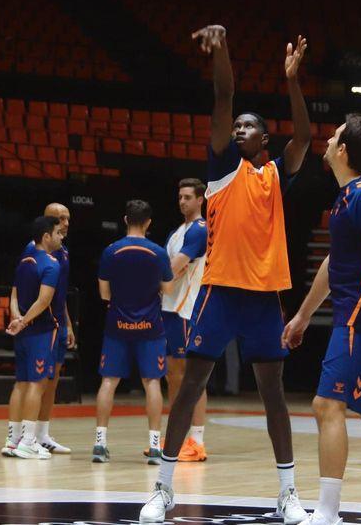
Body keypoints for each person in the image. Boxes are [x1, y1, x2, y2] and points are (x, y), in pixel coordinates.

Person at [140, 25, 311, 524]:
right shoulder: (220, 169)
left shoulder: (278, 173)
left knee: (273, 395)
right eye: (235, 126)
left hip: (263, 297)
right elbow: (223, 92)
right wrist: (225, 49)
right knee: (189, 386)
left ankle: (288, 493)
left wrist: (293, 81)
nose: (238, 129)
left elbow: (303, 136)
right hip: (218, 292)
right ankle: (163, 489)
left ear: (265, 137)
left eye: (248, 126)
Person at [282, 114, 361, 525]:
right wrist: (303, 315)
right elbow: (334, 263)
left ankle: (327, 511)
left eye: (334, 135)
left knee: (326, 405)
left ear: (344, 151)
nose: (328, 139)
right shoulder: (345, 196)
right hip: (352, 319)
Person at [93, 200, 174, 464]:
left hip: (117, 325)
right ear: (148, 222)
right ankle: (154, 447)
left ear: (125, 220)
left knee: (109, 382)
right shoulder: (158, 253)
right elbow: (169, 289)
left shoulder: (110, 251)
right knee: (152, 382)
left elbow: (104, 293)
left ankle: (100, 443)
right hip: (150, 327)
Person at [1, 216, 64, 459]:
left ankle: (12, 439)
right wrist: (25, 321)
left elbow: (14, 296)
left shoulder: (23, 262)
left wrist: (17, 319)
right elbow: (44, 300)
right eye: (58, 233)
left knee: (21, 383)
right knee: (37, 385)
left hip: (23, 331)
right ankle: (28, 440)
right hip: (40, 331)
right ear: (46, 236)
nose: (61, 237)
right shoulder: (51, 264)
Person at [162, 178, 209, 461]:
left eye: (188, 197)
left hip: (186, 310)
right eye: (180, 197)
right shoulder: (177, 231)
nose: (182, 202)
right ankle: (178, 437)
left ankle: (197, 440)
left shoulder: (200, 230)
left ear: (200, 199)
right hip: (169, 307)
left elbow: (171, 269)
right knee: (173, 375)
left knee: (194, 377)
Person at [25, 203, 76, 455]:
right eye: (60, 218)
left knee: (52, 381)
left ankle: (43, 434)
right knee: (37, 381)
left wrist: (67, 323)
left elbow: (60, 293)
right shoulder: (34, 251)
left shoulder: (63, 251)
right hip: (41, 326)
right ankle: (26, 436)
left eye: (68, 218)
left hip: (58, 324)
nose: (65, 223)